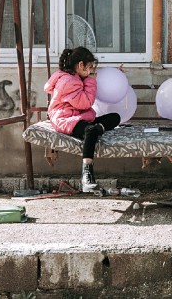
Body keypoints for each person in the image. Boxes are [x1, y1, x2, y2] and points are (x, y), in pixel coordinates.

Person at [44, 47, 120, 193]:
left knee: (115, 117)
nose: (91, 71)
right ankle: (87, 174)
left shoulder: (73, 77)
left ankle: (98, 128)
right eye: (90, 67)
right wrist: (90, 81)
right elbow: (85, 103)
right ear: (80, 65)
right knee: (90, 131)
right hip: (65, 119)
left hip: (77, 116)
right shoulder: (69, 82)